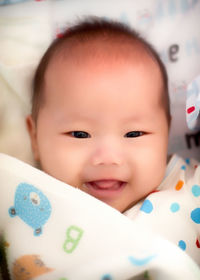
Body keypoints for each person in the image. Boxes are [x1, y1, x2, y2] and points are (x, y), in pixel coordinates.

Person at [26, 17, 200, 264]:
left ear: (166, 133)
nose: (108, 158)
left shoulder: (190, 189)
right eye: (79, 134)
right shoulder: (22, 202)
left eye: (134, 134)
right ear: (34, 137)